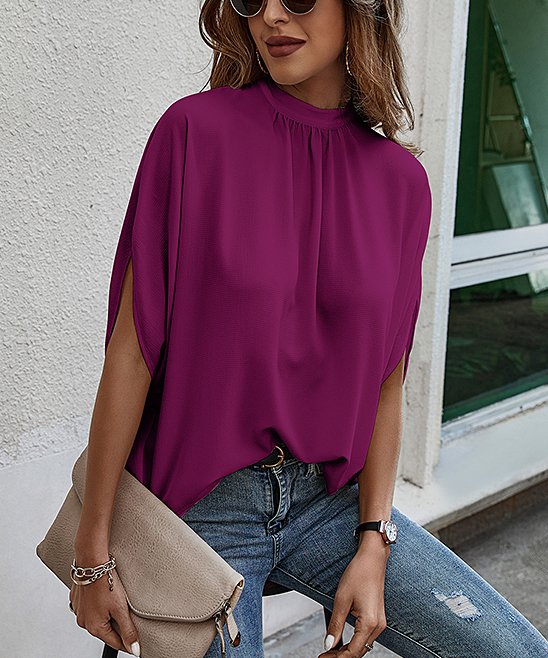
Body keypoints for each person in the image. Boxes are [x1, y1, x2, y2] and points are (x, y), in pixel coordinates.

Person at [69, 1, 548, 657]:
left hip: (330, 503)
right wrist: (92, 552)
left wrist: (374, 542)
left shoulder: (401, 183)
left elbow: (386, 382)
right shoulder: (194, 134)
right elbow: (132, 353)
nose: (271, 15)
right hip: (204, 508)